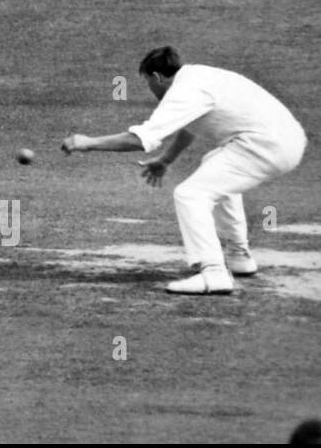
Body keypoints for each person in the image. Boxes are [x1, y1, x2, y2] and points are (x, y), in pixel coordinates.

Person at [61, 46, 307, 295]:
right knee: (214, 167)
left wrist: (89, 143)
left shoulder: (184, 90)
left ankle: (214, 273)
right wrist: (166, 160)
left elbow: (141, 139)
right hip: (286, 139)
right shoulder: (199, 76)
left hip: (267, 145)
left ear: (156, 77)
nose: (150, 88)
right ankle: (238, 255)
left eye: (148, 82)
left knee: (191, 194)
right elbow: (191, 125)